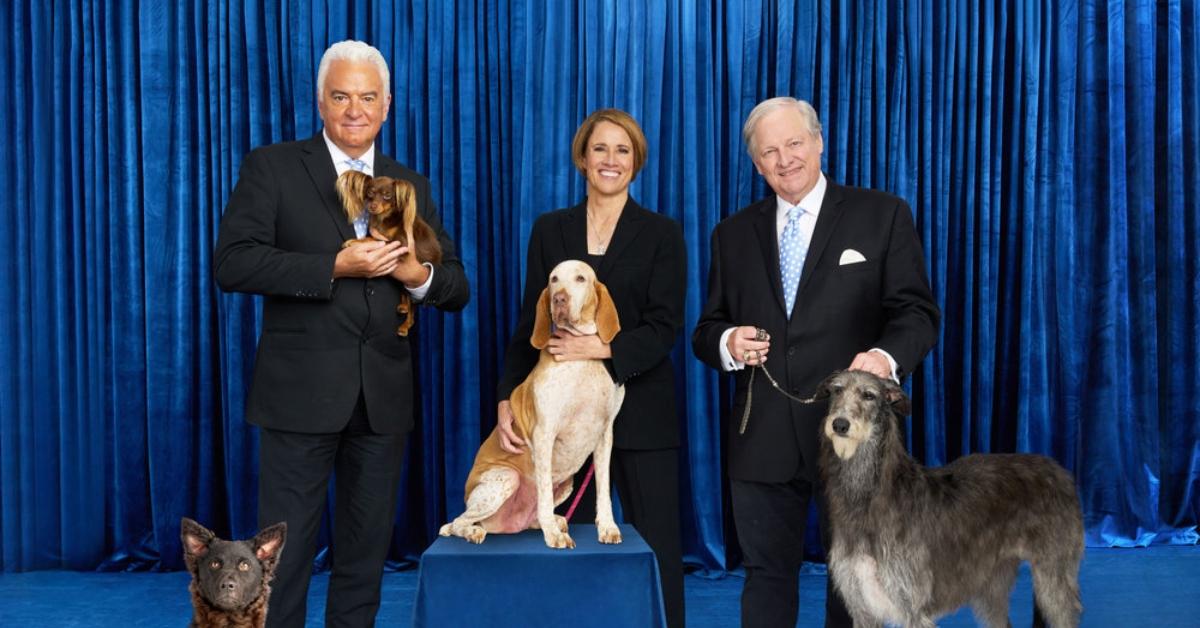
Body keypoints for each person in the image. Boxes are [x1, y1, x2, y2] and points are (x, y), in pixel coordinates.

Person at [213, 40, 469, 628]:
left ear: (387, 106)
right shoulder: (273, 167)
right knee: (281, 557)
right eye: (342, 96)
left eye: (368, 97)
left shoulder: (410, 182)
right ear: (321, 102)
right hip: (298, 396)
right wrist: (333, 265)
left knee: (365, 553)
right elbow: (233, 263)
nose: (356, 110)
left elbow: (455, 286)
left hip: (382, 400)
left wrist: (418, 276)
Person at [691, 97, 939, 627]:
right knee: (765, 578)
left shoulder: (882, 214)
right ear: (756, 163)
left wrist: (883, 357)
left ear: (819, 142)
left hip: (858, 441)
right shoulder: (731, 234)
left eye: (794, 143)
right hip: (762, 438)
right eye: (769, 152)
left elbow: (916, 314)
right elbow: (707, 329)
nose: (785, 160)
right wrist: (728, 341)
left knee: (856, 582)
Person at [494, 109, 688, 628]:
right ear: (582, 158)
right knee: (567, 554)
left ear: (636, 162)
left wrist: (600, 349)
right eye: (600, 148)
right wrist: (507, 398)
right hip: (562, 425)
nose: (610, 160)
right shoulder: (549, 230)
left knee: (658, 553)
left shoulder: (662, 234)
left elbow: (665, 326)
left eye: (623, 150)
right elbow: (530, 323)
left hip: (642, 411)